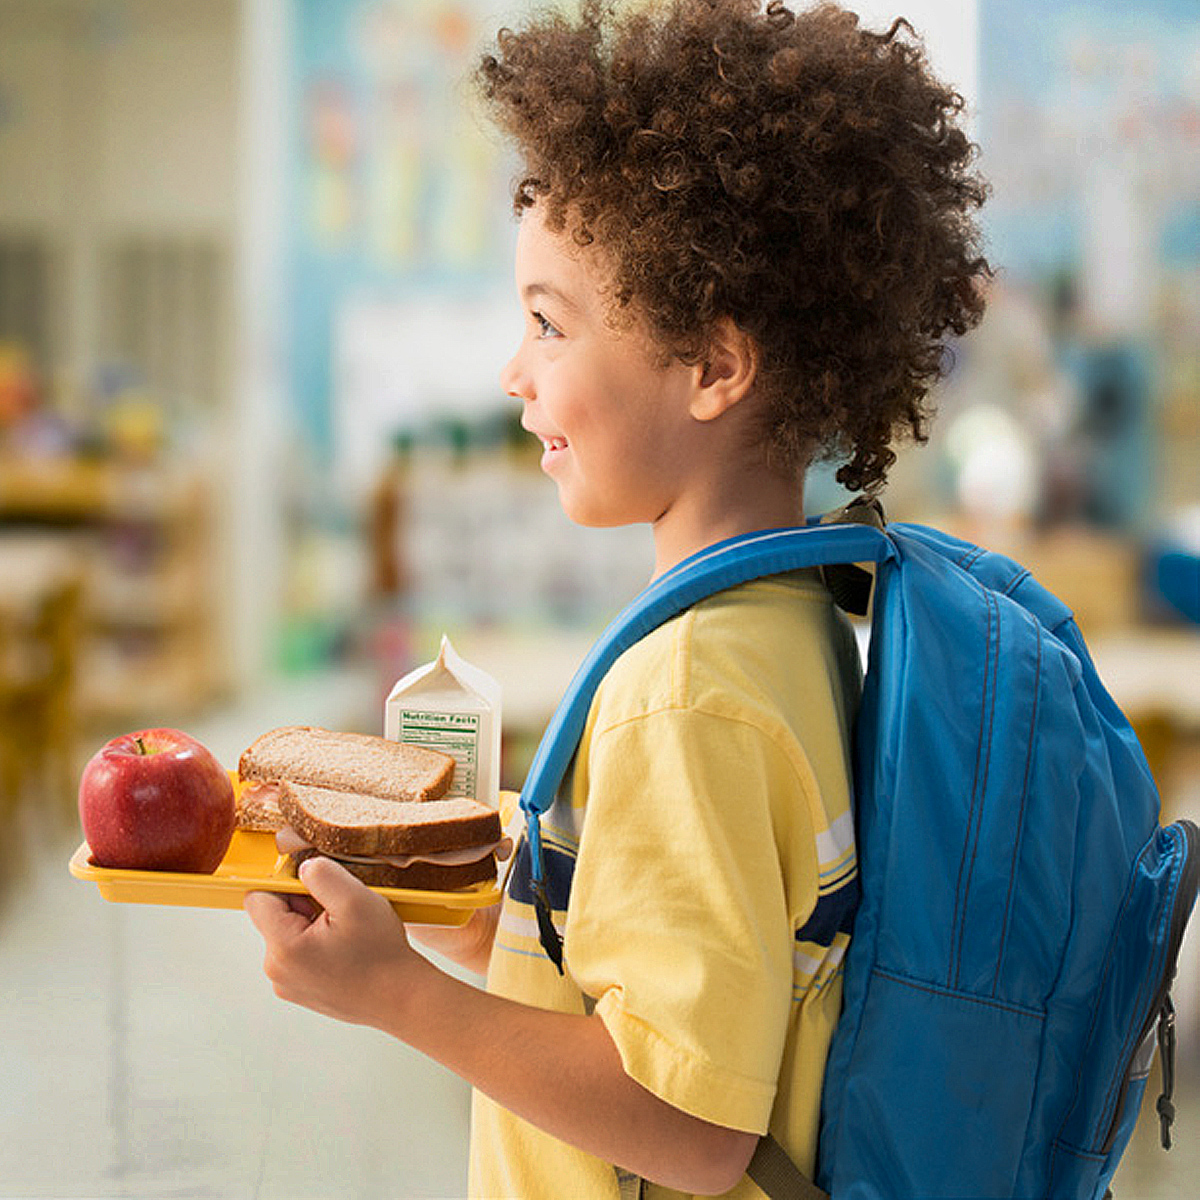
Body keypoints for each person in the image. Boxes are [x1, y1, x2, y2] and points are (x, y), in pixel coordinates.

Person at [244, 1, 990, 1195]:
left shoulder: (685, 692)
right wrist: (491, 935)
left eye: (549, 322)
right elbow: (710, 970)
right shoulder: (789, 616)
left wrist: (397, 997)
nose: (514, 368)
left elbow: (689, 1126)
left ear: (712, 367)